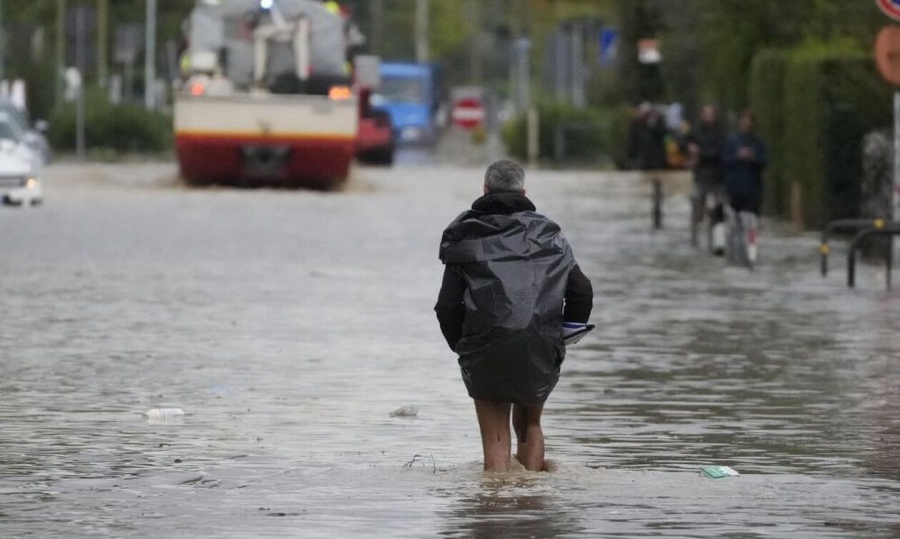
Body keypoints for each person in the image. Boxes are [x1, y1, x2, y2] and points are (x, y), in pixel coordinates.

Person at [434, 160, 594, 473]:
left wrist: (463, 346)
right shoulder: (550, 235)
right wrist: (563, 336)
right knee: (529, 426)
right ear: (524, 191)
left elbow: (448, 306)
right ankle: (530, 508)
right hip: (539, 343)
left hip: (484, 346)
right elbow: (582, 291)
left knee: (495, 438)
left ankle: (496, 509)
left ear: (484, 190)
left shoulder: (464, 234)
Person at [686, 105, 728, 254]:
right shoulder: (696, 133)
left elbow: (720, 152)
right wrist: (691, 152)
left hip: (718, 178)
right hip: (701, 177)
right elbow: (686, 145)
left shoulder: (722, 134)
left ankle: (717, 244)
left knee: (717, 212)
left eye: (711, 114)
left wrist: (701, 154)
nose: (708, 116)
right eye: (705, 114)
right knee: (697, 209)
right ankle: (695, 241)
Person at [724, 110, 767, 217]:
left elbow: (764, 161)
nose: (747, 125)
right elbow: (725, 161)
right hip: (735, 189)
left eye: (749, 123)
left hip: (753, 189)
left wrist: (752, 157)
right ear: (740, 123)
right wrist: (737, 156)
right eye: (744, 122)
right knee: (735, 220)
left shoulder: (758, 143)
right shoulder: (731, 141)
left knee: (751, 221)